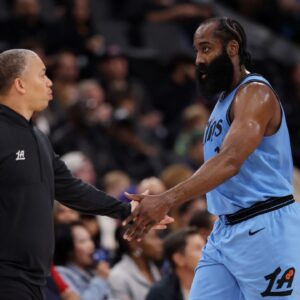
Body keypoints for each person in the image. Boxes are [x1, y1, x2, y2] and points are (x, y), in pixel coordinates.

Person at [123, 17, 300, 299]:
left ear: (232, 49)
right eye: (196, 51)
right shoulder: (222, 102)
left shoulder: (255, 93)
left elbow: (230, 160)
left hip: (267, 226)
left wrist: (166, 199)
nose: (199, 60)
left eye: (206, 49)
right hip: (225, 230)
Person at [0, 49, 171, 300]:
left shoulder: (37, 137)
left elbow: (71, 188)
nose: (49, 82)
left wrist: (126, 211)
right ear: (20, 84)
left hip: (35, 279)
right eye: (43, 75)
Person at [146, 227, 204, 300]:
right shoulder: (160, 294)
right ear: (179, 259)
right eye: (198, 248)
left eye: (205, 247)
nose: (207, 252)